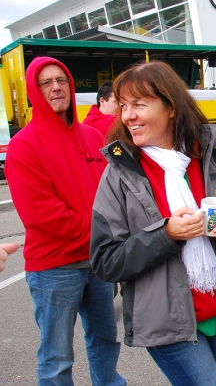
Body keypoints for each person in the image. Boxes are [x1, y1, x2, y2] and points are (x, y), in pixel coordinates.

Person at [90, 60, 216, 386]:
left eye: (139, 104)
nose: (128, 116)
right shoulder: (121, 172)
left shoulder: (211, 154)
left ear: (172, 108)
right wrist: (166, 235)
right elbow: (105, 261)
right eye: (123, 106)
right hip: (166, 320)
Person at [5, 56, 125, 385]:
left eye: (62, 80)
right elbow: (42, 214)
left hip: (98, 262)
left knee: (105, 340)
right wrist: (105, 231)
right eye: (46, 82)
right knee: (57, 355)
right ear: (34, 90)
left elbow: (117, 186)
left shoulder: (93, 137)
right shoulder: (22, 146)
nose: (56, 87)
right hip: (54, 269)